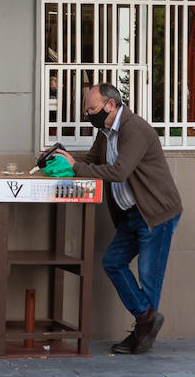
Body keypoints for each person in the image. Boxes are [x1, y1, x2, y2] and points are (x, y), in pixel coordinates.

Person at [52, 83, 182, 355]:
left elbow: (119, 171)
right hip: (130, 214)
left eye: (92, 109)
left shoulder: (133, 129)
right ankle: (146, 319)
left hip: (154, 213)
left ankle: (141, 336)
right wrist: (66, 160)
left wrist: (77, 168)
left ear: (110, 105)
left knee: (148, 278)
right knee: (112, 261)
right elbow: (91, 161)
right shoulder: (105, 132)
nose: (89, 115)